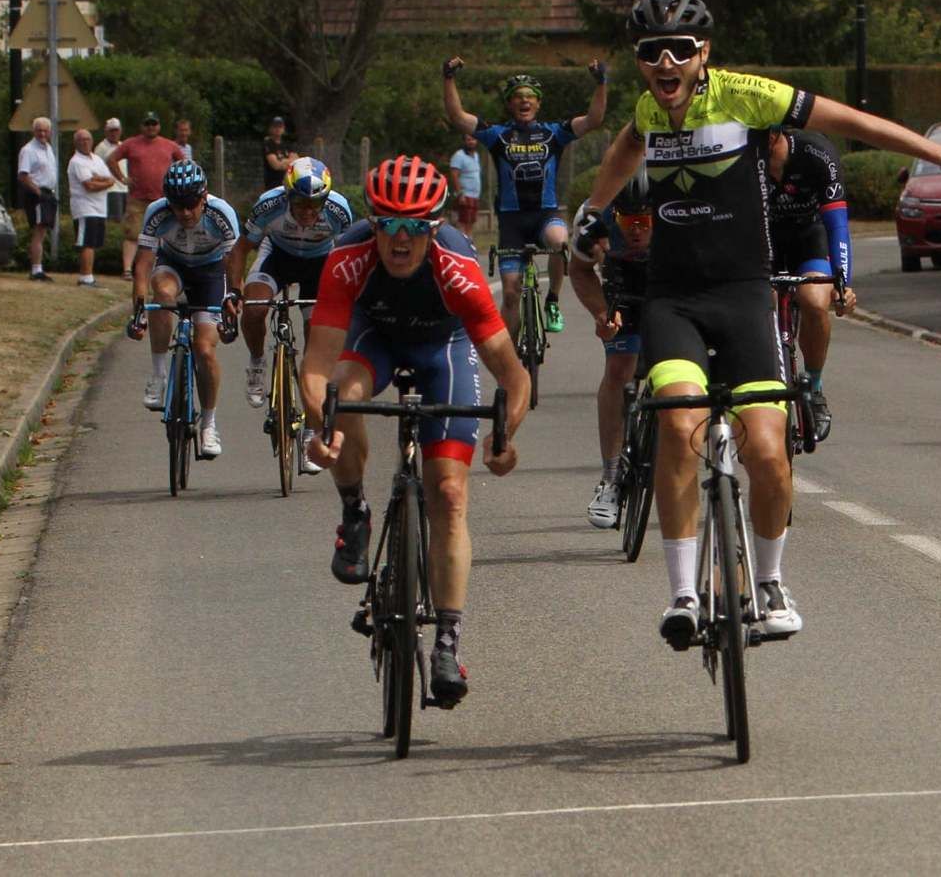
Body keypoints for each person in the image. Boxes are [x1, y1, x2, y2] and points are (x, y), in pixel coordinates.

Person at [576, 0, 941, 647]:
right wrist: (592, 213)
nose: (664, 62)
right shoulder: (649, 111)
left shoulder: (744, 96)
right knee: (677, 423)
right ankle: (683, 593)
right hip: (673, 299)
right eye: (651, 52)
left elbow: (852, 121)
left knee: (767, 450)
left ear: (703, 53)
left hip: (743, 296)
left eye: (679, 49)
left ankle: (769, 582)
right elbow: (624, 150)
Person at [302, 156, 529, 704]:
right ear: (372, 223)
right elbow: (315, 367)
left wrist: (504, 435)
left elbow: (513, 375)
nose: (400, 239)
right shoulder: (347, 259)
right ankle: (355, 509)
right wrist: (321, 426)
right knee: (343, 397)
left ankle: (447, 641)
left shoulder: (457, 267)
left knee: (448, 493)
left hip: (442, 348)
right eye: (388, 225)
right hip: (373, 338)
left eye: (414, 227)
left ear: (434, 227)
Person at [442, 57, 608, 338]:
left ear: (538, 103)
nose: (524, 101)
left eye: (530, 96)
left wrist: (601, 83)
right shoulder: (498, 135)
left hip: (545, 215)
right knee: (510, 293)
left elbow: (594, 120)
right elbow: (457, 116)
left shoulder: (554, 134)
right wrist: (448, 78)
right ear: (510, 103)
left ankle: (552, 301)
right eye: (518, 96)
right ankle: (510, 358)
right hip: (512, 222)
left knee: (559, 242)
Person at [230, 157, 354, 475]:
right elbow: (241, 249)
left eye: (316, 204)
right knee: (255, 309)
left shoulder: (339, 210)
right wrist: (233, 291)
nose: (309, 212)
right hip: (278, 257)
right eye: (300, 204)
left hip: (319, 264)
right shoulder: (268, 205)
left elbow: (351, 256)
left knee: (316, 354)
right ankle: (257, 362)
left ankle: (313, 431)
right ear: (288, 196)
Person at [126, 160, 239, 458]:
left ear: (204, 197)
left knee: (205, 350)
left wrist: (232, 297)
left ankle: (209, 424)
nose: (185, 213)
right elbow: (143, 263)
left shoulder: (222, 213)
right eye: (178, 206)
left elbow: (233, 263)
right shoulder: (157, 211)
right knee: (162, 293)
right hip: (173, 265)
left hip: (211, 273)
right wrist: (139, 308)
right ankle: (159, 375)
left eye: (191, 205)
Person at [568, 171, 652, 529]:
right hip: (621, 287)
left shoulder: (678, 211)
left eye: (645, 221)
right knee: (619, 369)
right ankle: (611, 478)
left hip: (670, 283)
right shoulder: (593, 216)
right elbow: (579, 271)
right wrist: (601, 313)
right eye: (628, 221)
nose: (636, 230)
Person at [766, 128, 857, 440]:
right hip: (763, 241)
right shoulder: (742, 157)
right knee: (759, 303)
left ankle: (814, 388)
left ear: (774, 135)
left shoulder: (816, 153)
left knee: (816, 302)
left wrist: (842, 284)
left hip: (809, 237)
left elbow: (837, 224)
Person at [108, 112, 185, 279]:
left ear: (159, 126)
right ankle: (127, 270)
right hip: (137, 198)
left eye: (154, 124)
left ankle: (162, 268)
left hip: (162, 199)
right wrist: (123, 179)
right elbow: (112, 159)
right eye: (147, 124)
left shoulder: (169, 145)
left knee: (164, 235)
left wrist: (176, 183)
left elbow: (184, 163)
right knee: (132, 234)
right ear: (142, 126)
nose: (151, 127)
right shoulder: (131, 143)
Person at [67, 129, 114, 288]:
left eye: (87, 139)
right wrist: (103, 182)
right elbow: (89, 185)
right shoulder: (76, 161)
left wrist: (97, 178)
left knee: (93, 243)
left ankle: (89, 276)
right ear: (76, 142)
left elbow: (110, 178)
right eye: (81, 139)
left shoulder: (97, 159)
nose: (85, 142)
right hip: (85, 208)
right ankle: (85, 277)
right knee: (86, 243)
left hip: (100, 207)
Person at [16, 116, 59, 282]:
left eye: (45, 131)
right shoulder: (28, 150)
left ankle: (38, 266)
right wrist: (39, 193)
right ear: (34, 131)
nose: (42, 134)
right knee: (38, 230)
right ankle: (36, 269)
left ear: (50, 132)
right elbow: (23, 175)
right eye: (39, 130)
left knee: (43, 231)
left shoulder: (48, 148)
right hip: (37, 194)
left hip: (48, 192)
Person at [447, 133, 482, 237]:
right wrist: (460, 193)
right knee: (462, 223)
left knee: (471, 222)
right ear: (464, 142)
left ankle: (469, 243)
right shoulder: (459, 156)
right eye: (468, 140)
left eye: (473, 139)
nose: (471, 142)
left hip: (475, 195)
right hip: (465, 195)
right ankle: (461, 244)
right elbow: (454, 175)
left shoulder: (476, 155)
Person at [96, 117, 129, 226]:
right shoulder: (101, 148)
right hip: (112, 190)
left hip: (125, 189)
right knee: (115, 221)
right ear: (106, 132)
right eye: (111, 130)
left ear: (120, 131)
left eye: (116, 130)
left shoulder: (122, 145)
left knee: (126, 221)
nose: (114, 133)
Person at [262, 117, 294, 190]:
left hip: (288, 184)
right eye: (275, 127)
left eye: (280, 127)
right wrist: (288, 162)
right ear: (270, 128)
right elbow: (276, 165)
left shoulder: (287, 145)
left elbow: (296, 161)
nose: (278, 129)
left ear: (283, 129)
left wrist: (282, 161)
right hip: (273, 185)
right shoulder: (268, 143)